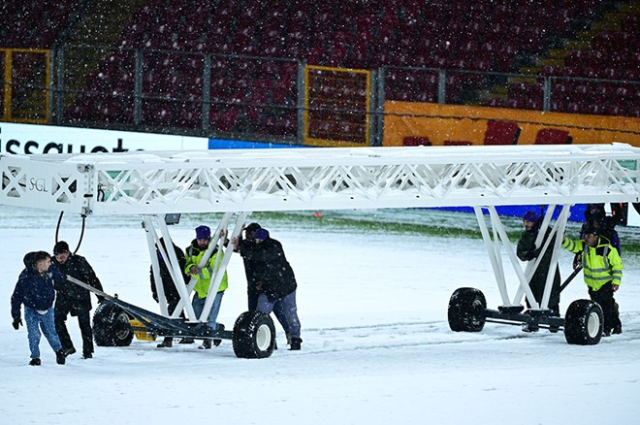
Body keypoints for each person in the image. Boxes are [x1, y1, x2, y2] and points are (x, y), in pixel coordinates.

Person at [240, 228, 302, 350]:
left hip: (286, 287)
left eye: (259, 239)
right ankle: (264, 339)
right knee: (260, 314)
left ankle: (295, 339)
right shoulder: (254, 249)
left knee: (290, 313)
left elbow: (262, 257)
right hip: (268, 288)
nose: (257, 241)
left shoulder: (273, 247)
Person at [232, 222, 291, 344]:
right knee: (254, 314)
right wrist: (236, 233)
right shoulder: (247, 245)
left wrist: (263, 282)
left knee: (279, 311)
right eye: (247, 232)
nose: (248, 235)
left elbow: (260, 256)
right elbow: (235, 246)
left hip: (269, 285)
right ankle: (268, 340)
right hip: (253, 285)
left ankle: (288, 333)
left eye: (251, 232)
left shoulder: (266, 247)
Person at [562, 225, 623, 336]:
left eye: (588, 235)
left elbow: (617, 267)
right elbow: (573, 246)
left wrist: (616, 282)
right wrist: (564, 240)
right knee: (603, 305)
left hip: (605, 283)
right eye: (585, 235)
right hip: (592, 284)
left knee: (605, 307)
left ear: (595, 236)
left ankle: (606, 328)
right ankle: (616, 324)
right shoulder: (584, 245)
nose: (585, 238)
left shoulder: (608, 249)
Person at [11, 251, 67, 366]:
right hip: (31, 310)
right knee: (34, 334)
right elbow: (16, 297)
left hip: (47, 309)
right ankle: (35, 357)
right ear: (39, 264)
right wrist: (16, 317)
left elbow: (61, 279)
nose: (50, 263)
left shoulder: (50, 271)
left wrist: (58, 274)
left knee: (51, 332)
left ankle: (59, 351)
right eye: (48, 262)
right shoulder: (26, 277)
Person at [51, 241, 104, 359]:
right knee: (57, 320)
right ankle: (67, 346)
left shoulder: (79, 261)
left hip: (80, 297)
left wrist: (100, 295)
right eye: (57, 256)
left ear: (68, 252)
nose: (60, 259)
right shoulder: (52, 262)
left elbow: (92, 278)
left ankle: (88, 351)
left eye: (62, 256)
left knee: (84, 324)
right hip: (63, 296)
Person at [516, 210, 562, 333]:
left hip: (547, 269)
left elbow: (553, 243)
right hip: (533, 271)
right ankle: (533, 322)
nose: (526, 224)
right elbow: (520, 253)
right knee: (531, 296)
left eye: (529, 222)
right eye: (525, 221)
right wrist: (529, 254)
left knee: (551, 296)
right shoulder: (525, 236)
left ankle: (554, 322)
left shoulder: (546, 232)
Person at [185, 225, 228, 349]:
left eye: (204, 239)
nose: (202, 242)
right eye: (200, 239)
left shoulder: (216, 251)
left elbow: (213, 270)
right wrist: (190, 268)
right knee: (195, 316)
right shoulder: (190, 250)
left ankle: (207, 341)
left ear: (209, 239)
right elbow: (186, 264)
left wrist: (197, 272)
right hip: (199, 289)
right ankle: (218, 329)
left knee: (210, 316)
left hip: (215, 288)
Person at [150, 238, 191, 348]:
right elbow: (153, 275)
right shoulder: (157, 257)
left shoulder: (177, 254)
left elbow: (183, 271)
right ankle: (185, 333)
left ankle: (169, 337)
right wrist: (156, 292)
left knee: (172, 311)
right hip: (165, 289)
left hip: (177, 288)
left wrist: (186, 284)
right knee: (177, 312)